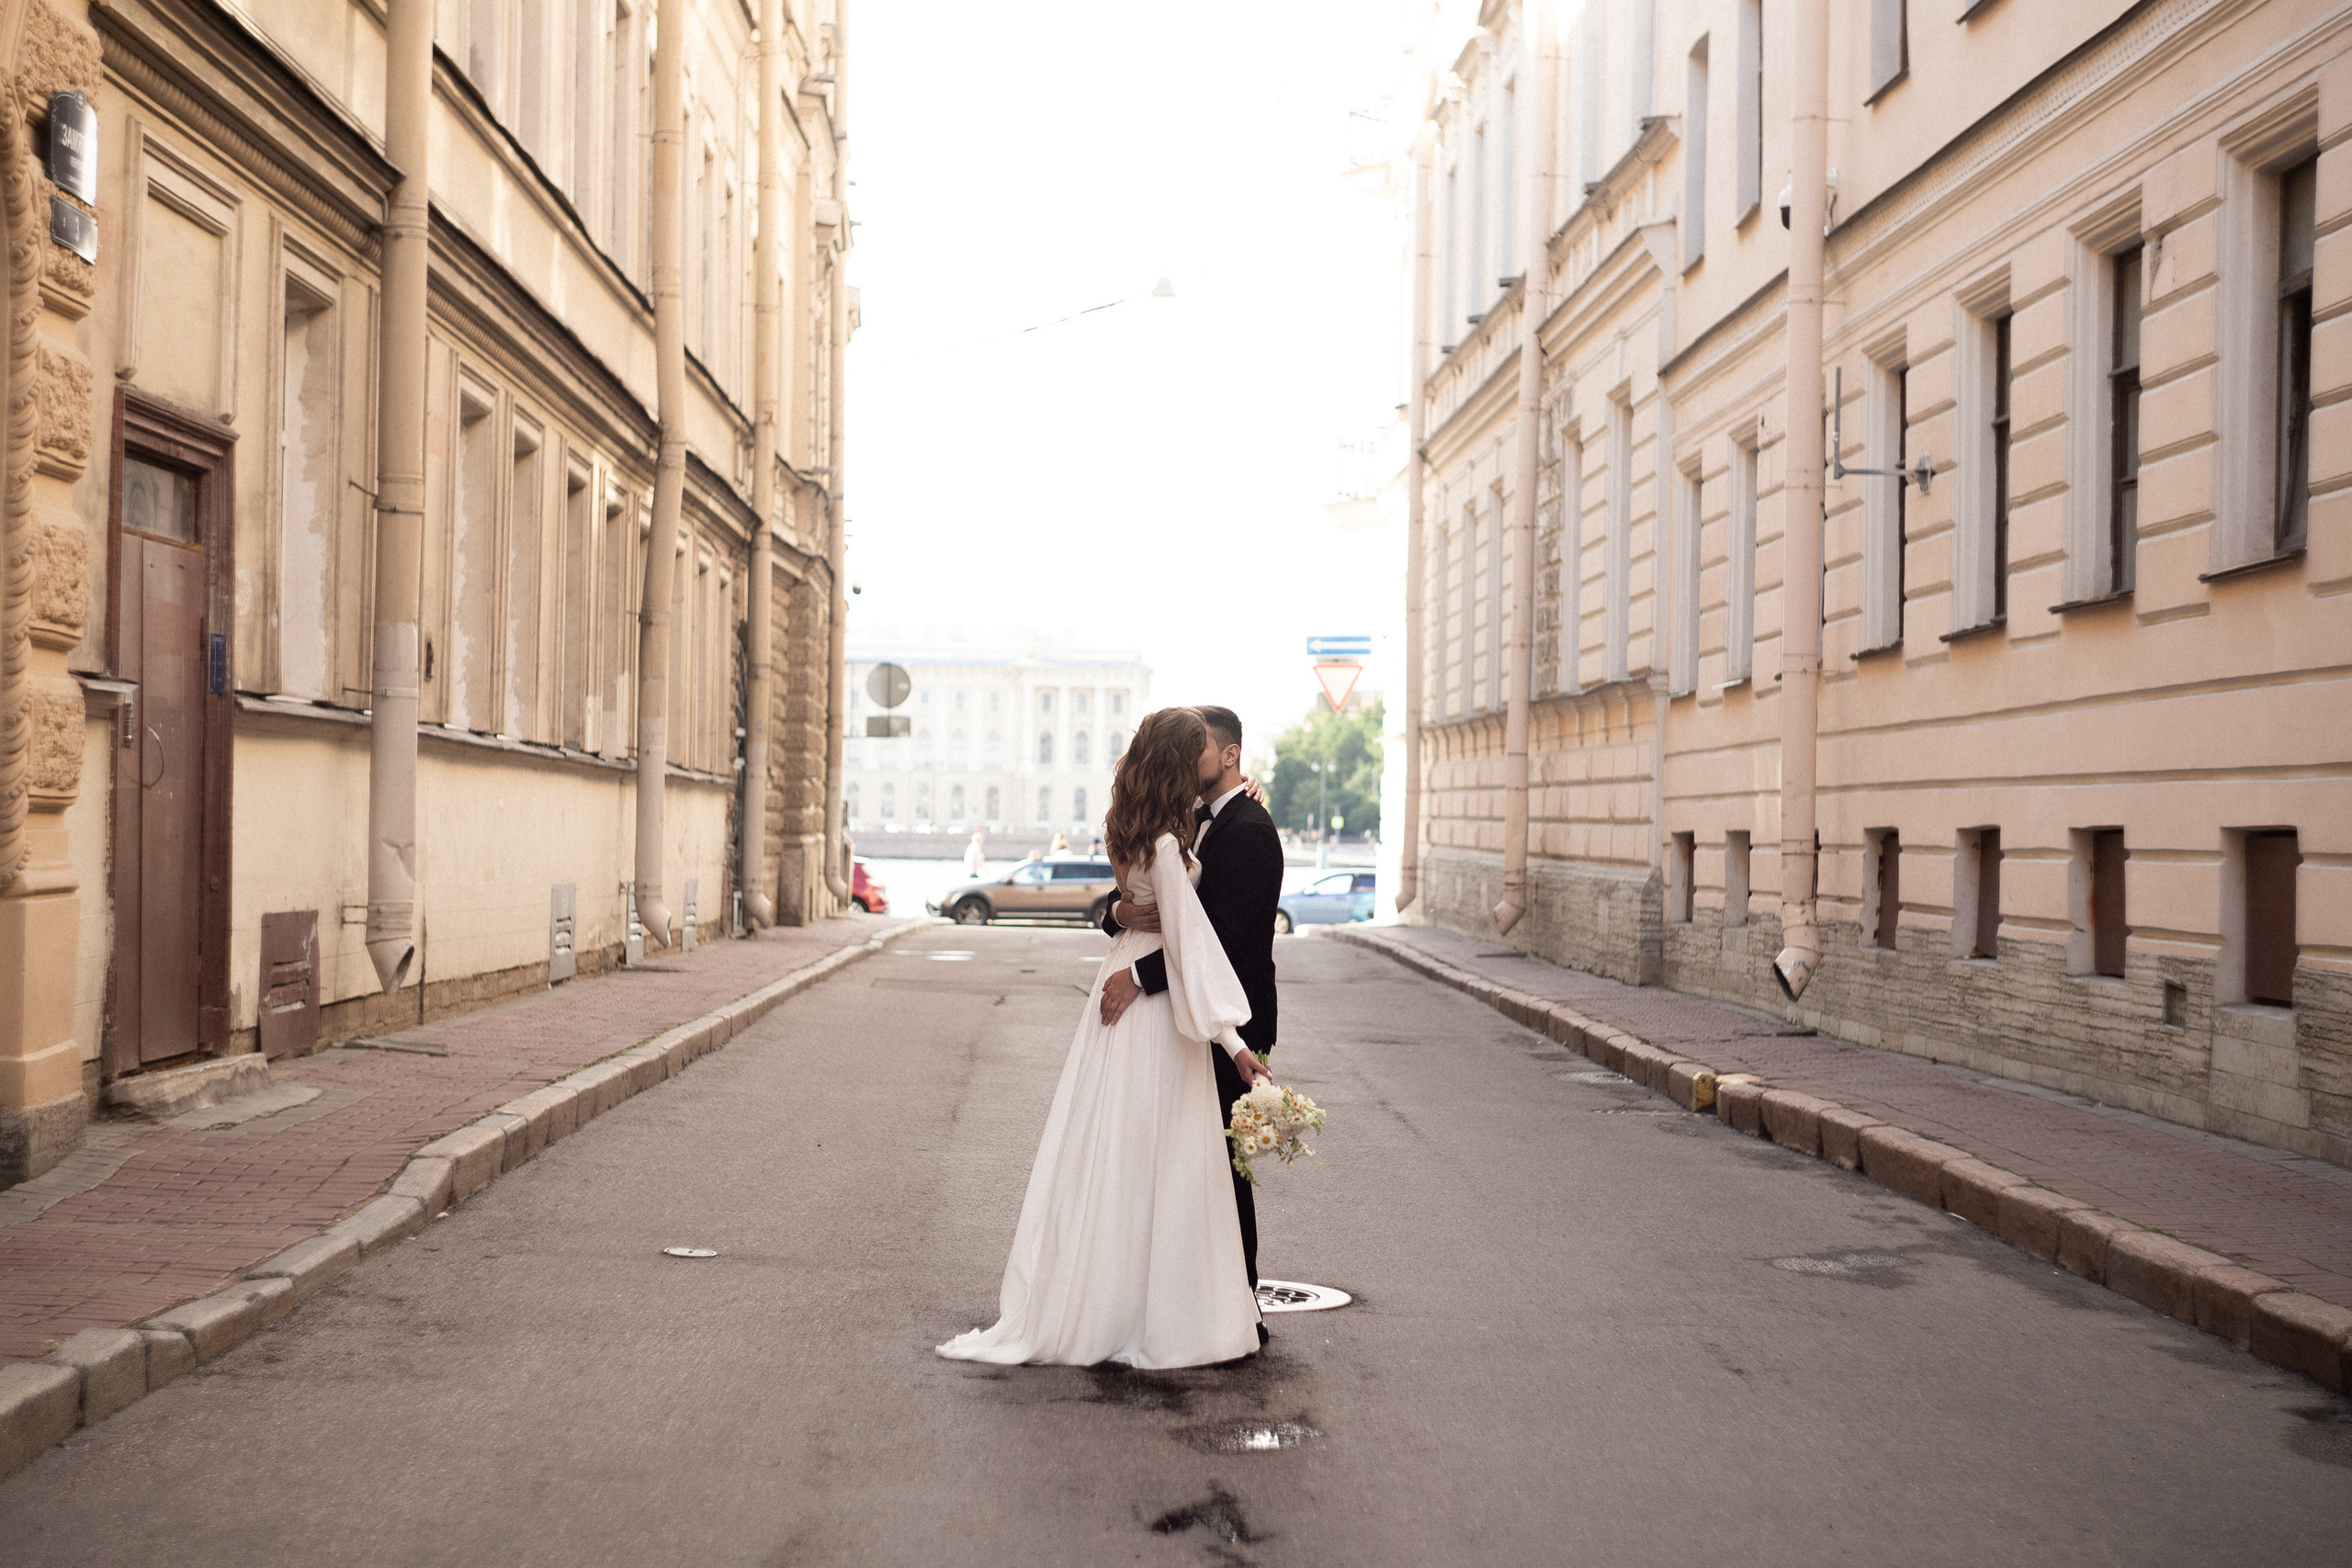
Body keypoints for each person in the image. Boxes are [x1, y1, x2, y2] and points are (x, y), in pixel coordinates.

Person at [938, 707, 1268, 1369]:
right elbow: (1192, 948)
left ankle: (1097, 1294)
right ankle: (1157, 1311)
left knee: (1108, 1148)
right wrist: (1236, 1045)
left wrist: (1124, 915)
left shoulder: (1128, 827)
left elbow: (1134, 910)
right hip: (1155, 1006)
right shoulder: (1173, 844)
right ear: (1182, 762)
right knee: (1168, 1157)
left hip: (1119, 983)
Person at [1098, 705, 1283, 1333]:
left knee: (1221, 1169)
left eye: (1202, 745)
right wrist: (1120, 917)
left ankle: (1239, 1300)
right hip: (1182, 1006)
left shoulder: (1250, 830)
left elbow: (1220, 942)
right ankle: (1177, 1299)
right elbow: (1138, 904)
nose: (1194, 755)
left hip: (1216, 1004)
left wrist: (1138, 974)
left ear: (1228, 754)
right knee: (1181, 1161)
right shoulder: (1181, 824)